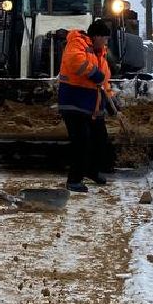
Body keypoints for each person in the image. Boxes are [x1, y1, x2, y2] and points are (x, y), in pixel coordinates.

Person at [57, 18, 117, 193]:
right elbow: (75, 61)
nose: (106, 42)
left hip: (93, 104)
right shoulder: (77, 42)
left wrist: (111, 101)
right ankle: (74, 180)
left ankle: (92, 170)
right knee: (81, 141)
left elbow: (104, 80)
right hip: (74, 101)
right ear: (96, 36)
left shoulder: (101, 53)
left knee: (100, 139)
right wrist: (93, 73)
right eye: (105, 38)